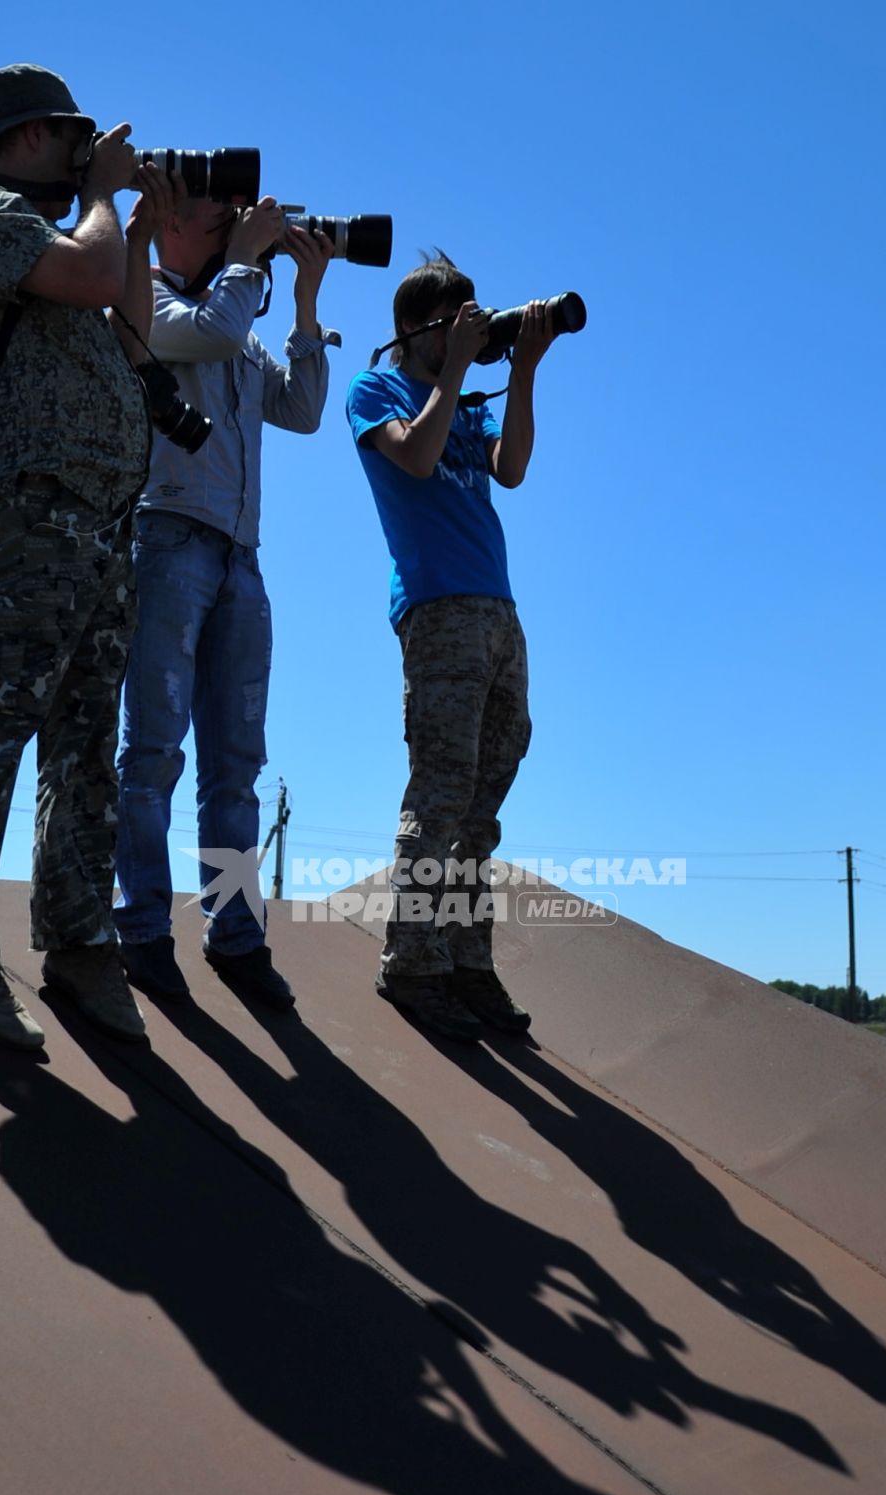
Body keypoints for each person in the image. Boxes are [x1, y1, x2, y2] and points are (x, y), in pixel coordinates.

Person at [0, 65, 170, 1049]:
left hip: (102, 514)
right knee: (5, 716)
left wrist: (138, 221)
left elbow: (129, 322)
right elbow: (88, 281)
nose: (84, 154)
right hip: (32, 508)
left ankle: (80, 941)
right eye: (74, 140)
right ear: (29, 139)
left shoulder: (77, 231)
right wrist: (104, 197)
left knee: (86, 742)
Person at [111, 190, 336, 1008]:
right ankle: (139, 928)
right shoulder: (157, 302)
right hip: (169, 542)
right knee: (154, 752)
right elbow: (206, 331)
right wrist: (247, 255)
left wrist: (305, 303)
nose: (236, 229)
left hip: (242, 560)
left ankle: (235, 934)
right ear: (169, 224)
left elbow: (304, 410)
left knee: (235, 766)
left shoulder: (237, 323)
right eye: (216, 216)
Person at [346, 255, 553, 1042]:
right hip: (437, 613)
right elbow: (418, 457)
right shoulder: (379, 390)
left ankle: (467, 963)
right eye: (456, 320)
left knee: (481, 808)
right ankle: (411, 964)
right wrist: (455, 370)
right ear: (417, 329)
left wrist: (523, 368)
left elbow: (514, 468)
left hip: (500, 612)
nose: (469, 330)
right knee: (440, 792)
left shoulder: (465, 396)